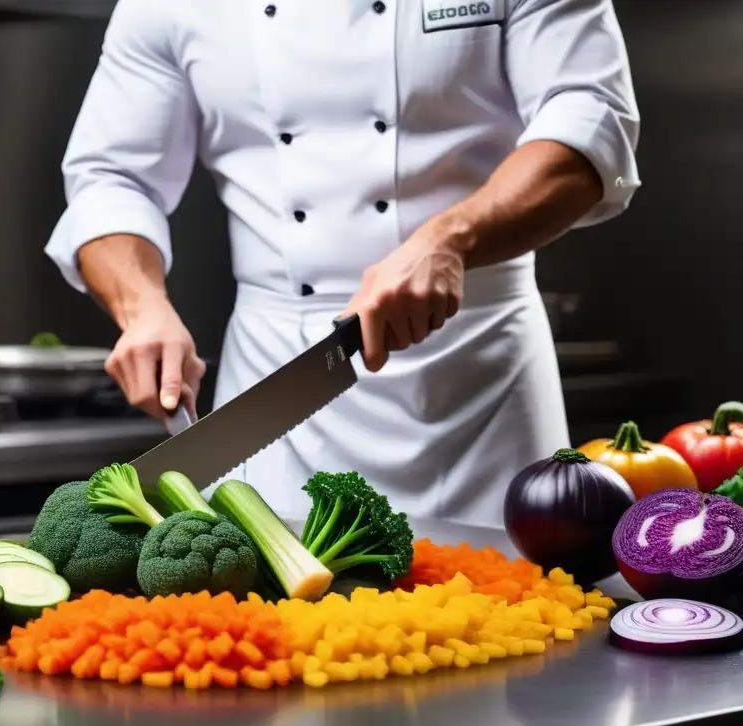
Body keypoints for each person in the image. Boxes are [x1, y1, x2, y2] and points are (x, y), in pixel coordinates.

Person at [46, 0, 640, 524]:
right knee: (277, 633)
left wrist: (449, 239)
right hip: (278, 392)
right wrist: (142, 306)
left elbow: (599, 132)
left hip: (479, 392)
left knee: (521, 634)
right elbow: (110, 176)